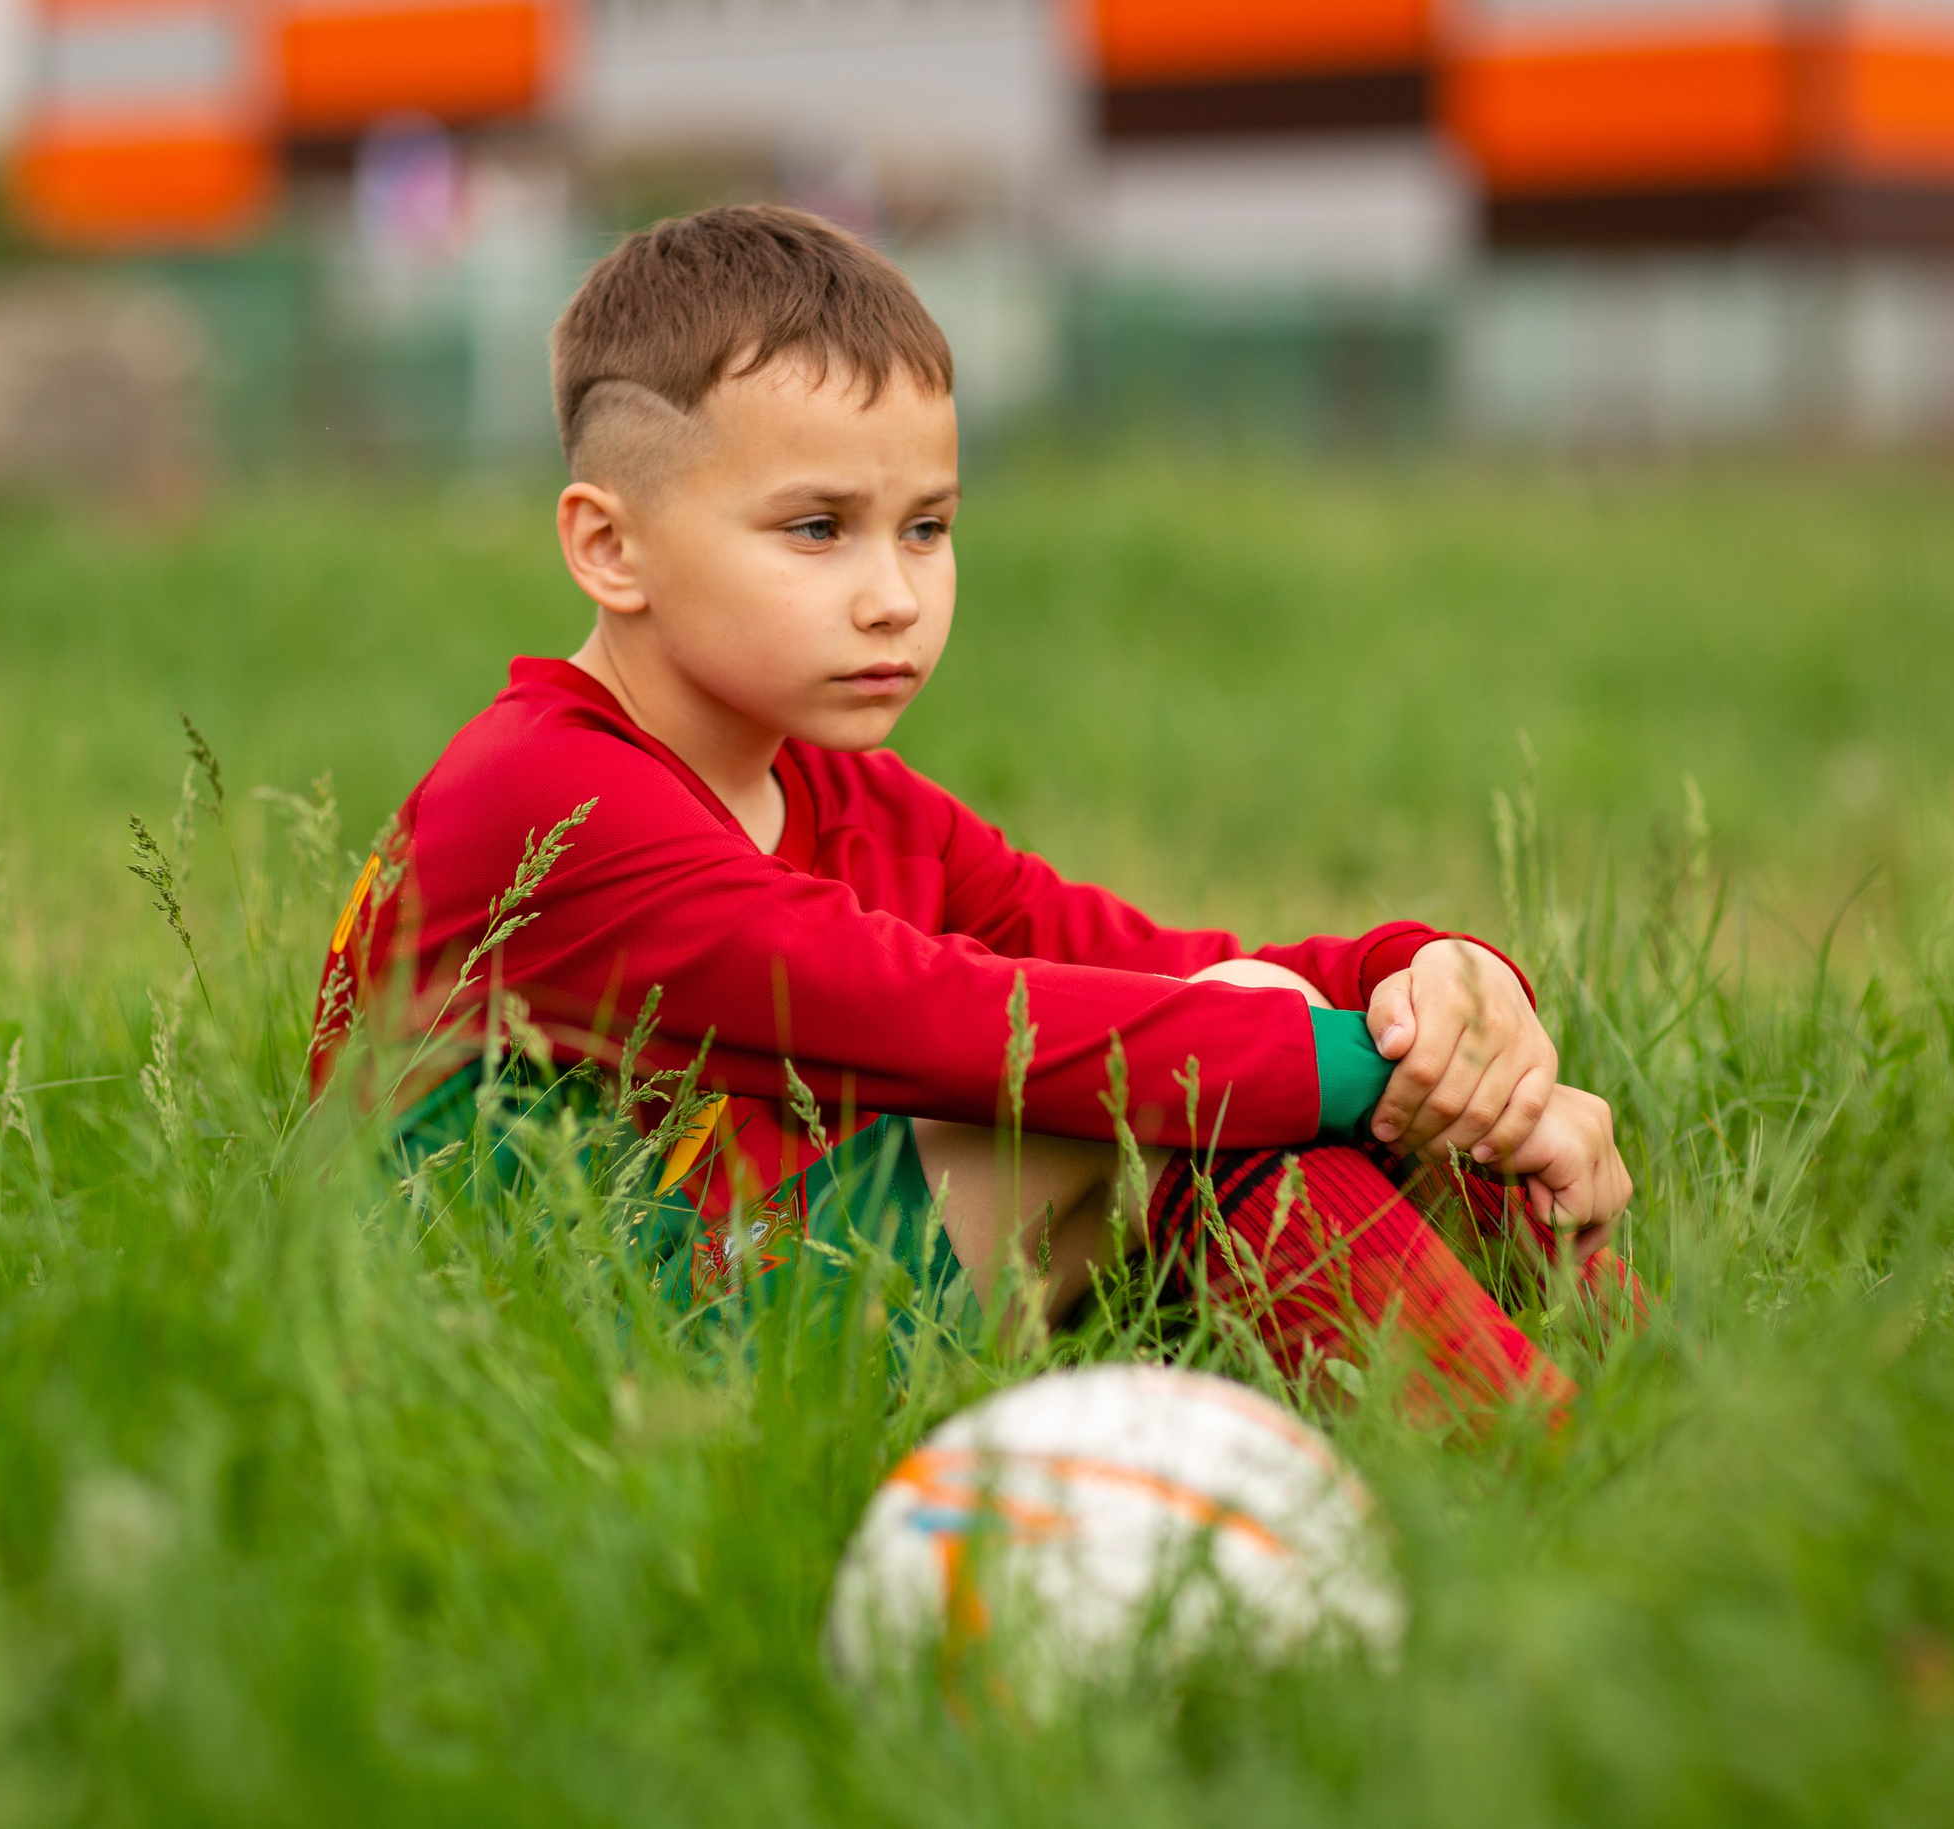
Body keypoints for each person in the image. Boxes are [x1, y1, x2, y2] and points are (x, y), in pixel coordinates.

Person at [311, 204, 1639, 1428]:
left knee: (1219, 1061)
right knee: (1184, 1082)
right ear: (610, 546)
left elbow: (1138, 965)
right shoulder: (546, 796)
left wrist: (1433, 987)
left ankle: (1612, 1396)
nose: (897, 594)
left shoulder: (852, 799)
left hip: (761, 1309)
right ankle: (1561, 1464)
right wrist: (1406, 1085)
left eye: (929, 527)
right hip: (561, 1397)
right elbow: (960, 1027)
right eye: (819, 528)